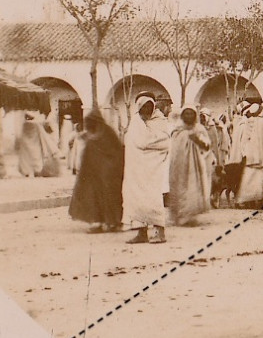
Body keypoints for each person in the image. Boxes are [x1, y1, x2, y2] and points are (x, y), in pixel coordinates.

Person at [122, 94, 171, 244]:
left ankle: (160, 232)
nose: (147, 109)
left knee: (153, 199)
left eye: (149, 106)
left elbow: (164, 142)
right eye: (143, 106)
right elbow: (132, 142)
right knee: (136, 200)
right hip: (136, 169)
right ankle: (141, 233)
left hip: (153, 169)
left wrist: (147, 142)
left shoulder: (161, 121)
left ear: (154, 106)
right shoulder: (135, 123)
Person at [68, 110, 124, 233]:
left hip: (108, 175)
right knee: (94, 199)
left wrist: (109, 169)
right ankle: (98, 223)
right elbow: (87, 157)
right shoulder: (92, 135)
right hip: (94, 175)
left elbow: (116, 153)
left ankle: (113, 223)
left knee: (110, 198)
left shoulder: (108, 133)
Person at [167, 108, 212, 226]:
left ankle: (190, 216)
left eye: (191, 114)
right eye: (186, 113)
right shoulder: (177, 130)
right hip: (179, 164)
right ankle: (179, 216)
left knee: (192, 186)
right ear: (182, 115)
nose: (189, 116)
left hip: (195, 165)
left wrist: (197, 140)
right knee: (179, 187)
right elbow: (172, 148)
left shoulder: (199, 129)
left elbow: (207, 146)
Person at [232, 101, 263, 208]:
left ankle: (249, 200)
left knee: (251, 178)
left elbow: (244, 140)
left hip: (252, 156)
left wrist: (245, 152)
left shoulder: (247, 123)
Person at [15, 110, 60, 177]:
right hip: (35, 144)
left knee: (26, 159)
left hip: (25, 145)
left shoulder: (24, 125)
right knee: (36, 157)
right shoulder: (36, 124)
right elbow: (42, 134)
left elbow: (20, 136)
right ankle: (37, 171)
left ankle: (26, 172)